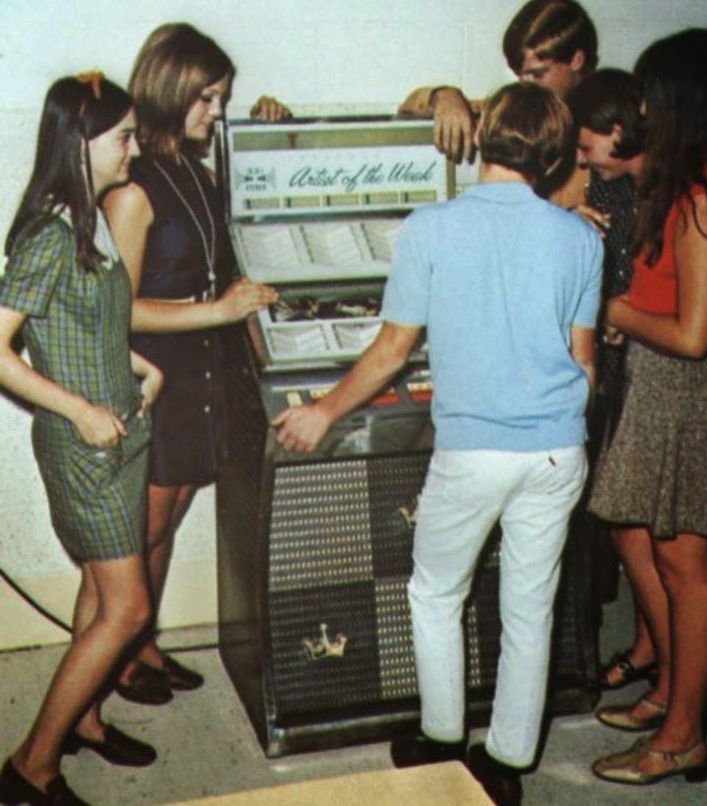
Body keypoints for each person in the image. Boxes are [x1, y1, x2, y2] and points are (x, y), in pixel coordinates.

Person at [274, 82, 602, 806]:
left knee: (434, 593)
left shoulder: (430, 227)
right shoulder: (580, 238)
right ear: (553, 158)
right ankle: (507, 761)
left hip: (474, 450)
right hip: (557, 447)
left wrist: (323, 410)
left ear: (481, 136)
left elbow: (392, 350)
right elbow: (584, 364)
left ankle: (444, 739)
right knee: (529, 607)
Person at [103, 23, 282, 706]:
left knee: (169, 518)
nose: (216, 111)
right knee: (145, 527)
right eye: (206, 98)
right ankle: (121, 653)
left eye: (222, 98)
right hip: (154, 375)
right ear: (170, 90)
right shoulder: (132, 188)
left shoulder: (195, 173)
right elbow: (118, 312)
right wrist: (217, 310)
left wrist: (272, 125)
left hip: (199, 370)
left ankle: (142, 641)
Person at [0, 74, 162, 805]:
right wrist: (79, 410)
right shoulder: (49, 235)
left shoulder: (89, 222)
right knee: (129, 610)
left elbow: (82, 324)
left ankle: (85, 721)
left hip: (120, 435)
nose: (134, 149)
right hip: (85, 448)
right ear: (81, 143)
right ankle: (29, 768)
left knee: (101, 594)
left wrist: (137, 364)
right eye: (123, 137)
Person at [587, 29, 707, 785]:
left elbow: (694, 333)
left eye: (649, 94)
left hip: (689, 386)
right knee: (643, 535)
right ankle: (675, 696)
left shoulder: (705, 195)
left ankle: (683, 735)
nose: (639, 107)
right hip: (657, 379)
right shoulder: (677, 185)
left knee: (686, 563)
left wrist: (615, 310)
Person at [566, 68, 653, 686]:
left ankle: (685, 675)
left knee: (646, 525)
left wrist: (622, 313)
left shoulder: (673, 193)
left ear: (618, 129)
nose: (580, 157)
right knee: (632, 523)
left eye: (587, 143)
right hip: (621, 365)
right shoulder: (609, 188)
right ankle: (651, 647)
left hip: (661, 371)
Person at [398, 0, 597, 182]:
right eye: (519, 75)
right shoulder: (509, 111)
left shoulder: (603, 126)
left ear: (576, 60)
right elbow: (406, 110)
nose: (524, 85)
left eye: (537, 74)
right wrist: (445, 97)